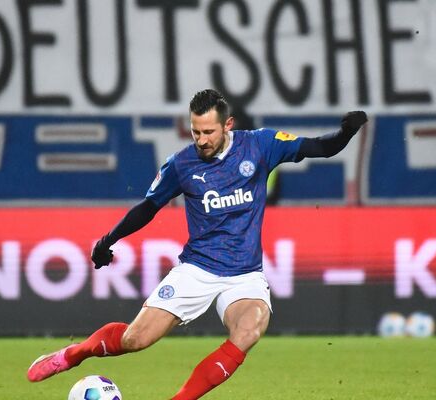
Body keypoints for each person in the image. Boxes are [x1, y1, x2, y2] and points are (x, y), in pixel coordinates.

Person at [26, 89, 368, 400]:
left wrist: (345, 133)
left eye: (208, 132)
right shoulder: (182, 164)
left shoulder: (261, 145)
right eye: (195, 132)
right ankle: (73, 354)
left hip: (245, 275)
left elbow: (321, 147)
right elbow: (148, 207)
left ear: (228, 125)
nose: (201, 140)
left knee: (249, 331)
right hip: (197, 269)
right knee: (135, 340)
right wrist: (109, 239)